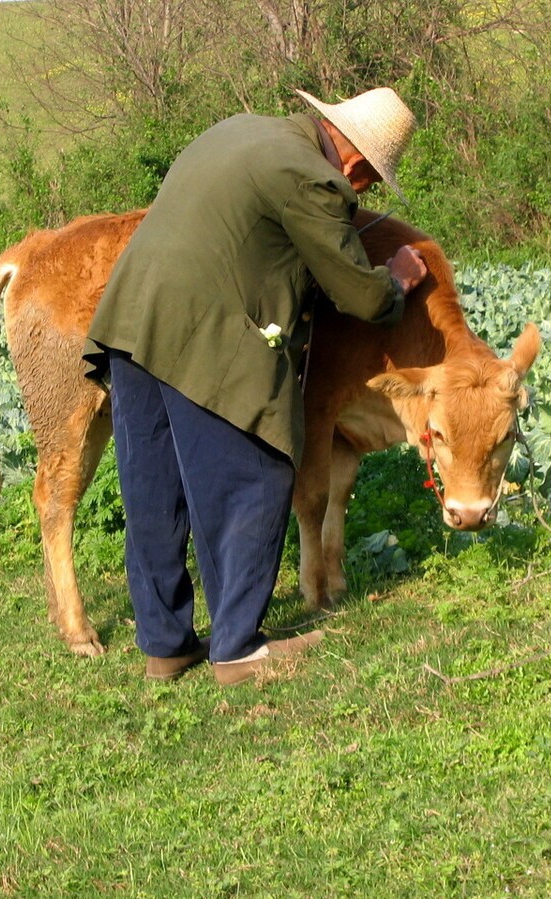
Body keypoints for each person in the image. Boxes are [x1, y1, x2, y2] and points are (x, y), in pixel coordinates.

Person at [82, 87, 429, 686]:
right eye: (369, 182)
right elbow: (362, 297)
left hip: (132, 318)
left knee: (154, 487)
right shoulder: (315, 179)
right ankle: (239, 650)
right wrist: (397, 277)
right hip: (201, 330)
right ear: (357, 164)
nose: (363, 194)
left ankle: (166, 645)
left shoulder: (240, 128)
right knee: (259, 470)